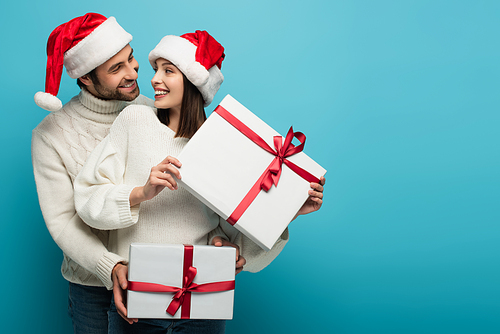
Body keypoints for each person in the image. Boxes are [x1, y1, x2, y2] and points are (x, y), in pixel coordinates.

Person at [74, 30, 325, 334]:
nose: (154, 79)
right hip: (137, 303)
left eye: (168, 71)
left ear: (193, 82)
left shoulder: (223, 144)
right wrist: (141, 192)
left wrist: (287, 209)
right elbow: (87, 199)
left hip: (203, 305)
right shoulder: (134, 120)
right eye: (155, 69)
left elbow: (234, 238)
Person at [31, 13, 153, 334]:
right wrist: (108, 265)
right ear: (85, 77)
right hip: (91, 289)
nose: (132, 72)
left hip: (155, 275)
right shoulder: (50, 135)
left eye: (130, 58)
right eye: (116, 69)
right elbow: (61, 220)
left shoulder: (155, 112)